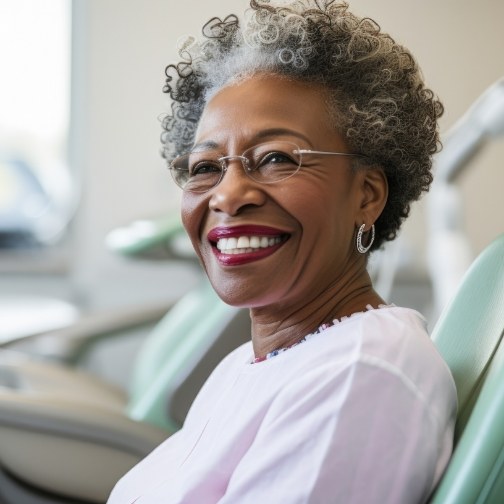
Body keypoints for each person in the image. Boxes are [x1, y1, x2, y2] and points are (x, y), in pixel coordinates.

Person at [108, 1, 457, 502]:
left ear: (367, 195)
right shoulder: (245, 366)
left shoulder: (359, 374)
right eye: (206, 167)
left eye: (275, 158)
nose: (227, 195)